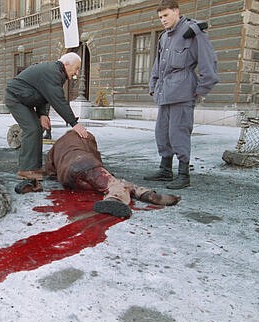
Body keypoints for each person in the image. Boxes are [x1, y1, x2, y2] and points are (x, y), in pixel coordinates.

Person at [145, 0, 219, 189]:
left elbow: (208, 61)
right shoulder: (164, 37)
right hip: (165, 92)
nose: (163, 20)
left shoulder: (192, 32)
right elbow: (158, 64)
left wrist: (202, 89)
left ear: (176, 12)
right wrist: (153, 85)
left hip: (183, 92)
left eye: (166, 15)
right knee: (162, 133)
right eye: (160, 17)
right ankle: (165, 170)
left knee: (179, 133)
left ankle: (183, 175)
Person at [37, 130, 181, 218]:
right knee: (112, 184)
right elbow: (96, 157)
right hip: (84, 163)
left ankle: (140, 192)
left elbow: (50, 169)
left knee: (106, 184)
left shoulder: (57, 145)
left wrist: (58, 174)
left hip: (68, 177)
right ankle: (115, 199)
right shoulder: (86, 136)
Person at [4, 52, 88, 181]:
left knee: (37, 128)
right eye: (76, 68)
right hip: (15, 98)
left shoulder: (57, 73)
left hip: (26, 99)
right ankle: (25, 170)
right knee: (31, 129)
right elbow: (58, 100)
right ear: (66, 64)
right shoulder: (53, 73)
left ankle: (35, 167)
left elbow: (44, 95)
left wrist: (42, 114)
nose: (77, 73)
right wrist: (74, 123)